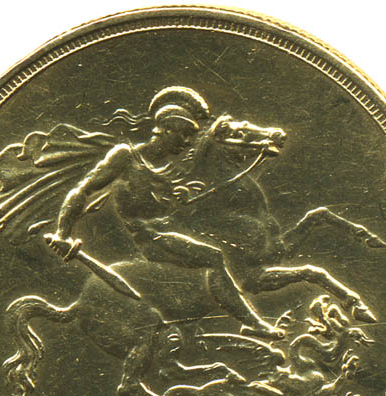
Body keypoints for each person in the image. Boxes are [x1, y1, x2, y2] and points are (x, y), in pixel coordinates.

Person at [44, 86, 282, 340]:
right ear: (167, 129)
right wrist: (62, 233)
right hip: (150, 239)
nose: (188, 142)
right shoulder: (126, 156)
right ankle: (252, 323)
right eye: (185, 134)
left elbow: (169, 204)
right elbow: (82, 190)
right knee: (213, 257)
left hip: (168, 231)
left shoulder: (167, 169)